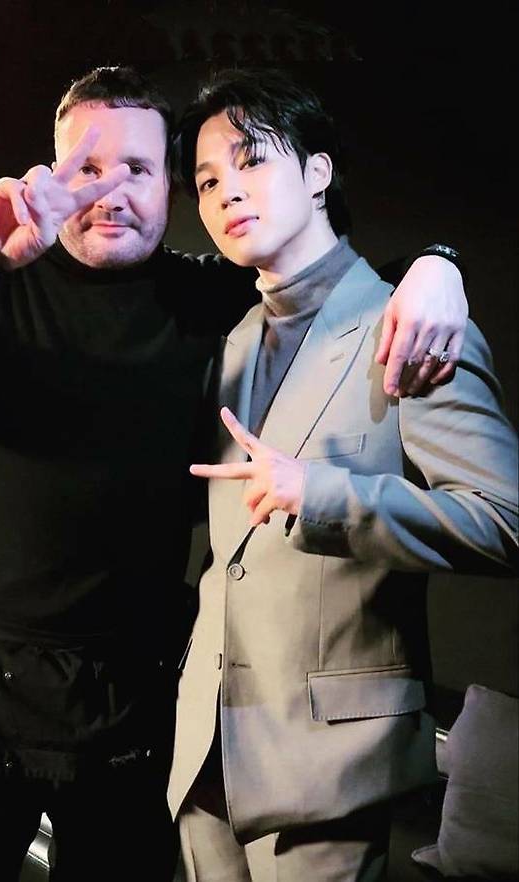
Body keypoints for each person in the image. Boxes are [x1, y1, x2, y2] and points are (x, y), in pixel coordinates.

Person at [0, 66, 469, 882]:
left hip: (137, 693)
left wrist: (438, 264)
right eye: (87, 168)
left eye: (138, 169)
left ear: (169, 188)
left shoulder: (205, 297)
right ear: (50, 173)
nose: (111, 192)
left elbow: (335, 283)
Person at [167, 69, 518, 881]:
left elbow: (506, 521)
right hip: (205, 754)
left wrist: (322, 495)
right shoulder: (233, 341)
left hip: (327, 768)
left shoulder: (414, 323)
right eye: (208, 180)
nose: (227, 192)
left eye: (252, 161)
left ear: (319, 171)